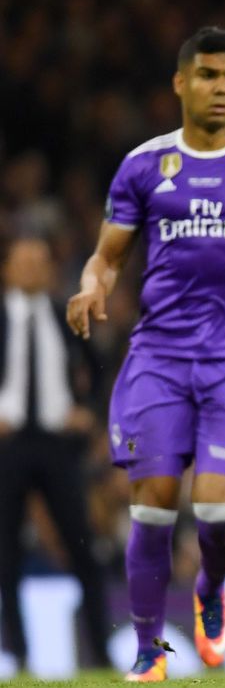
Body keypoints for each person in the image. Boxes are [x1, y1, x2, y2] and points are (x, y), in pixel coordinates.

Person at [66, 26, 225, 681]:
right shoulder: (145, 165)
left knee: (218, 510)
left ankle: (208, 589)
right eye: (208, 76)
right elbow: (108, 256)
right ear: (181, 82)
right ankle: (148, 650)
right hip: (160, 358)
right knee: (151, 504)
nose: (221, 88)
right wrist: (91, 287)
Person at [0, 236, 110, 672]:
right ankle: (20, 653)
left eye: (40, 262)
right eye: (24, 261)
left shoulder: (66, 316)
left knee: (83, 546)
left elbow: (100, 369)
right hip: (7, 446)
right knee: (6, 552)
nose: (32, 269)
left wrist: (89, 413)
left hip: (56, 445)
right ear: (7, 269)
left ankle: (101, 651)